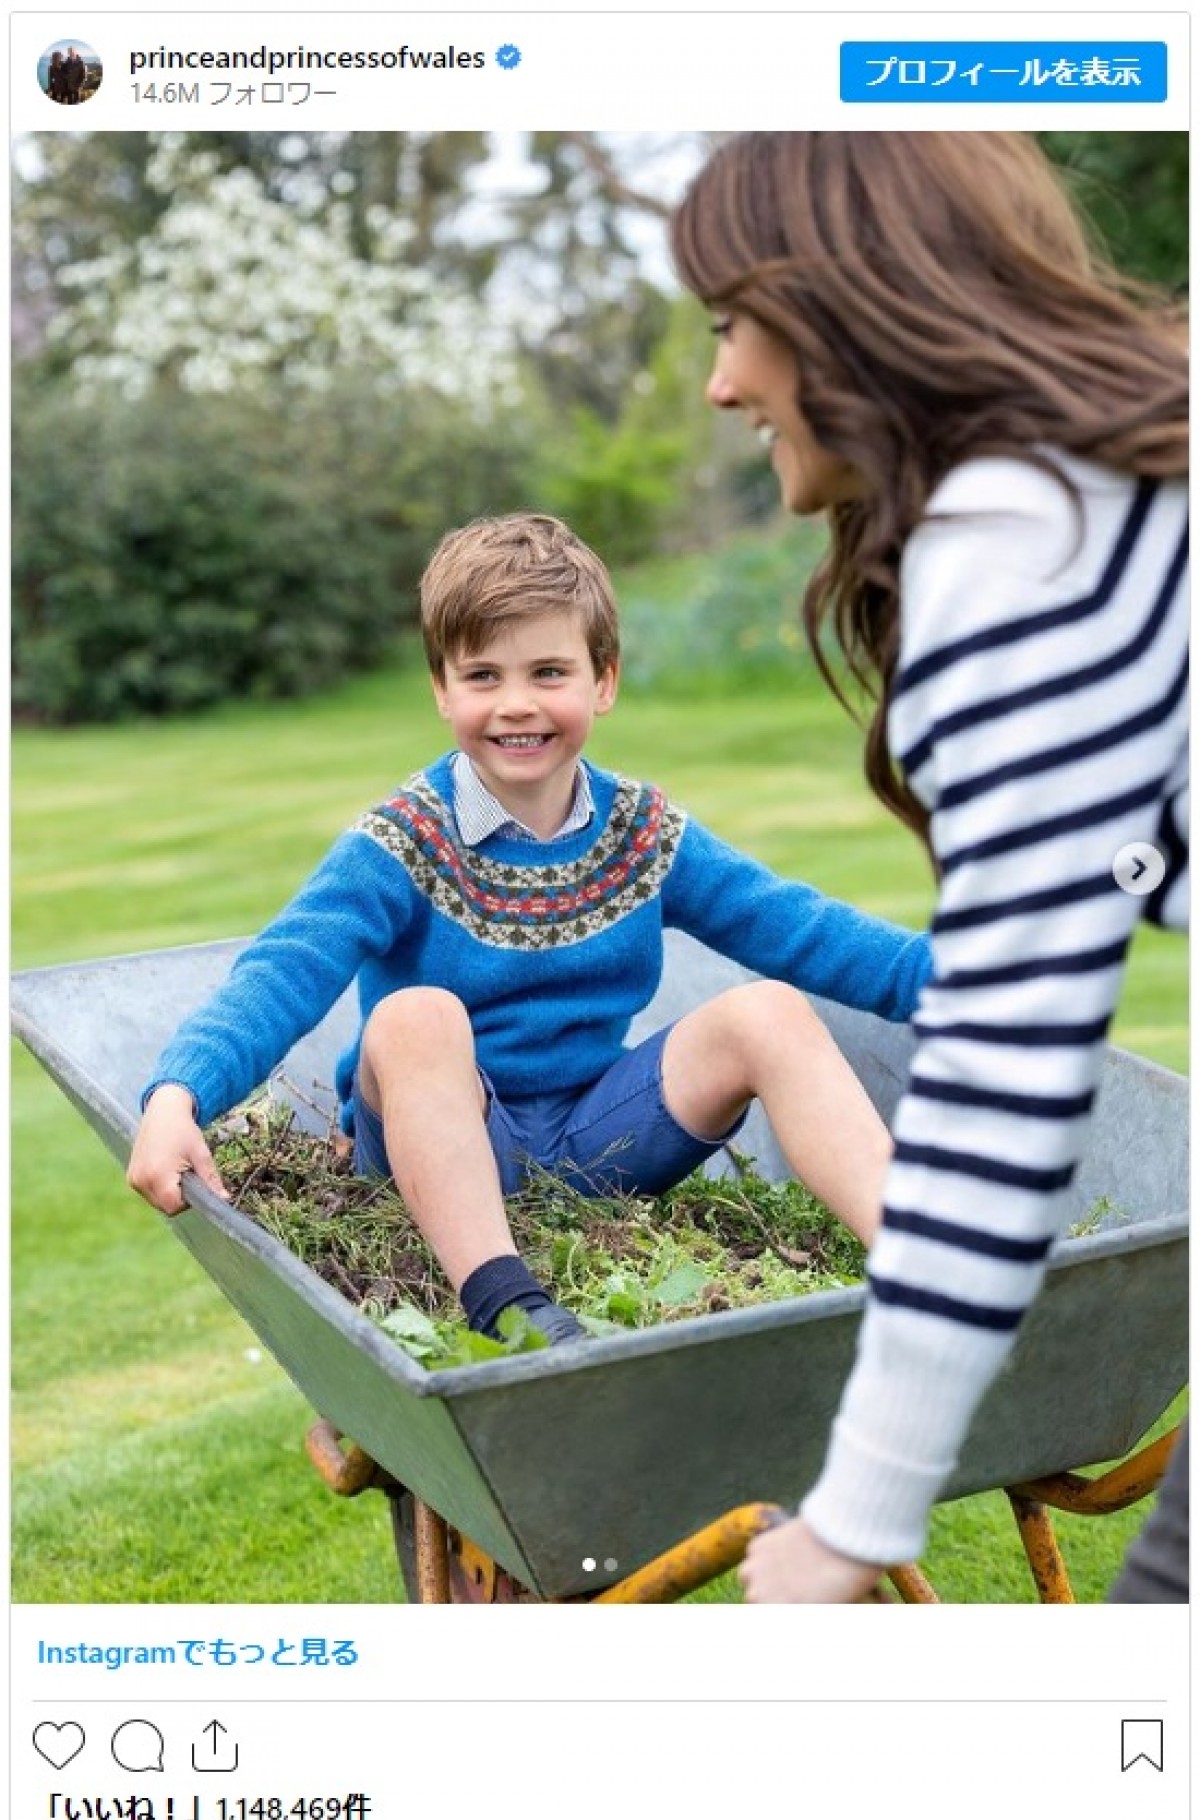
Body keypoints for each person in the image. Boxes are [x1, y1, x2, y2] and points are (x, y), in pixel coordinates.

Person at [671, 131, 1188, 1602]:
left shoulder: (1020, 543)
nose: (720, 385)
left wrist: (857, 1511)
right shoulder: (1116, 483)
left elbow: (1012, 1071)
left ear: (842, 303)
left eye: (729, 326)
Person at [129, 513, 932, 1350]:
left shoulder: (642, 831)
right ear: (442, 688)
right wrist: (179, 1092)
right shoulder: (404, 839)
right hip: (437, 1145)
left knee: (767, 1009)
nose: (517, 704)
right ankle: (507, 1303)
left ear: (604, 680)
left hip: (598, 1138)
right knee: (415, 1015)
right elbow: (284, 968)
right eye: (483, 674)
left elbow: (800, 928)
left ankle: (920, 1264)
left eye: (550, 671)